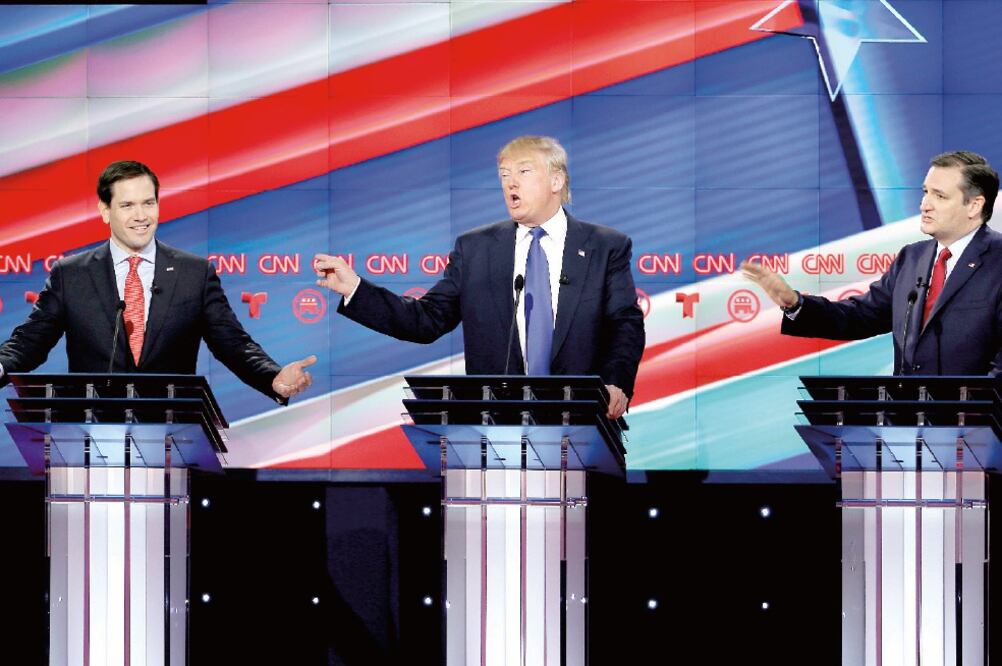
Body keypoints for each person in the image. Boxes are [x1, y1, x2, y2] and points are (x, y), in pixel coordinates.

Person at [314, 136, 645, 418]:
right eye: (503, 175)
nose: (509, 183)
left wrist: (616, 381)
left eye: (523, 171)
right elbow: (425, 320)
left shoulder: (605, 246)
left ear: (556, 181)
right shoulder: (475, 249)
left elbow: (625, 323)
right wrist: (356, 289)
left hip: (583, 420)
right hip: (497, 427)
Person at [0, 160, 315, 401]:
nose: (141, 215)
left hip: (171, 433)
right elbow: (30, 343)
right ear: (105, 211)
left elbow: (233, 344)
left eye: (148, 203)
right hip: (92, 431)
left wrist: (272, 377)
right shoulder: (71, 274)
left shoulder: (194, 273)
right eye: (127, 205)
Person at [742, 150, 1002, 376]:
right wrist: (796, 304)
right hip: (909, 421)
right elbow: (860, 316)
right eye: (925, 192)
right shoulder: (912, 259)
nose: (925, 205)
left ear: (974, 205)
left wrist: (976, 418)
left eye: (939, 196)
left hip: (976, 425)